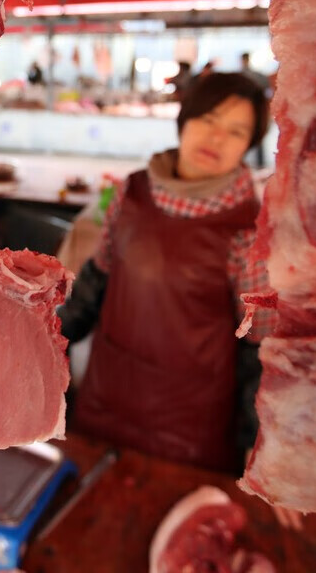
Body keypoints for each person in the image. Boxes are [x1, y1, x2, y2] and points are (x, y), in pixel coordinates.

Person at [57, 72, 272, 473]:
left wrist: (255, 440)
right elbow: (96, 281)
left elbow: (258, 348)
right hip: (108, 395)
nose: (216, 138)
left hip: (191, 424)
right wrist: (48, 343)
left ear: (248, 145)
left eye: (236, 131)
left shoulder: (248, 230)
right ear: (184, 119)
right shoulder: (134, 191)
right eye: (208, 119)